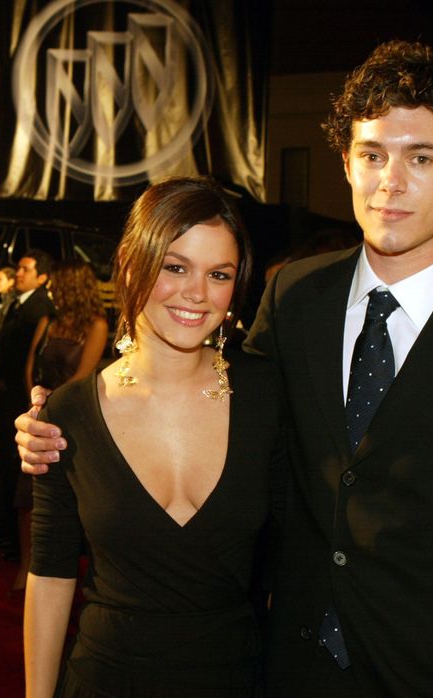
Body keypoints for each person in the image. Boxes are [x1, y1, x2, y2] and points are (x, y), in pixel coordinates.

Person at [17, 41, 433, 696]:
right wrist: (66, 423)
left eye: (421, 157)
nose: (391, 182)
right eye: (372, 155)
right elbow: (217, 393)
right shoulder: (295, 296)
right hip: (286, 670)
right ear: (346, 162)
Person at [24, 176, 284, 697]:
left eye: (218, 274)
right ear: (128, 263)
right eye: (175, 267)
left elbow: (294, 560)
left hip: (235, 680)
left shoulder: (268, 395)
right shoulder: (68, 413)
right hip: (105, 680)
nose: (197, 293)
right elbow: (50, 576)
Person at [11, 259, 108, 593]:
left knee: (74, 501)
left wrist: (54, 407)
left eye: (55, 285)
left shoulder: (96, 325)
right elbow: (30, 364)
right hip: (41, 412)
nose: (50, 291)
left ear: (71, 286)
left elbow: (83, 377)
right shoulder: (49, 320)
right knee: (28, 498)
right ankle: (26, 567)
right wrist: (36, 404)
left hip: (74, 417)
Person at [0, 250, 55, 556]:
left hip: (22, 396)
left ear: (42, 277)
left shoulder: (39, 307)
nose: (18, 273)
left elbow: (27, 356)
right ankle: (10, 534)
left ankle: (20, 544)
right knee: (7, 463)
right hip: (9, 392)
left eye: (26, 269)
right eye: (19, 268)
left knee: (19, 470)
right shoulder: (17, 302)